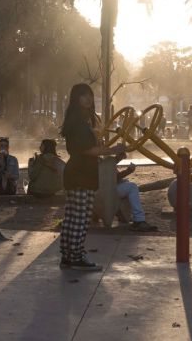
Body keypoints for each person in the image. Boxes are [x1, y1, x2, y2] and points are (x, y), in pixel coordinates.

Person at [59, 83, 126, 271]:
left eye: (89, 95)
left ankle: (68, 256)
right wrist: (112, 149)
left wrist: (110, 151)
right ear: (75, 99)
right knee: (80, 218)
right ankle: (76, 257)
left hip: (80, 173)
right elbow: (88, 150)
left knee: (73, 217)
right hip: (80, 174)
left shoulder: (80, 120)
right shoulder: (78, 123)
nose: (88, 99)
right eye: (83, 96)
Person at [114, 163, 155, 231]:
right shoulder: (98, 159)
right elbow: (111, 177)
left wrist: (118, 158)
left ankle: (124, 216)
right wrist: (129, 170)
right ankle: (139, 220)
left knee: (127, 184)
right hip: (106, 189)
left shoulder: (97, 158)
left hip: (102, 188)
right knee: (132, 187)